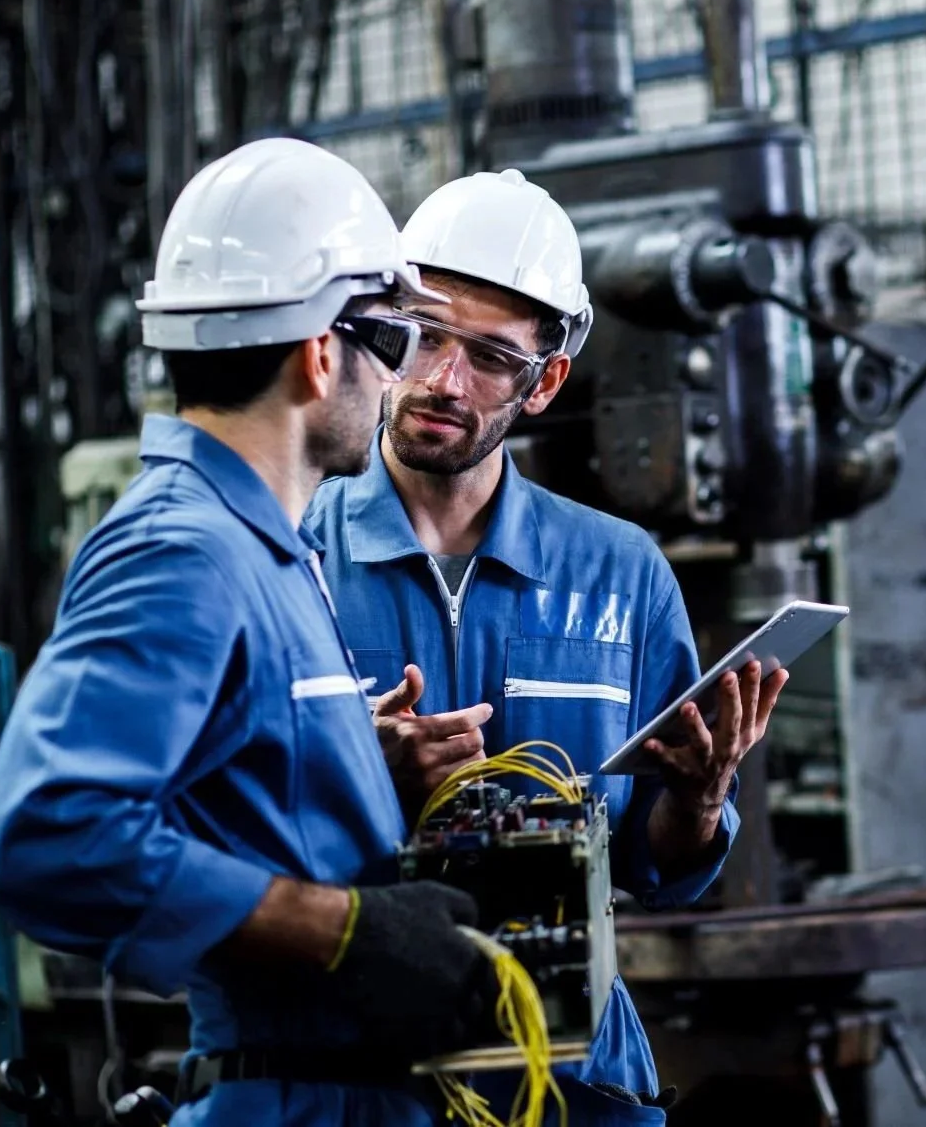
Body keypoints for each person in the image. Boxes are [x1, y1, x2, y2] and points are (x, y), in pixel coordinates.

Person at [0, 138, 505, 1126]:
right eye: (390, 342)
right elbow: (44, 834)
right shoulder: (186, 552)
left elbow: (215, 788)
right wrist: (346, 926)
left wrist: (342, 770)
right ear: (318, 352)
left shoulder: (267, 547)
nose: (398, 380)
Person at [303, 167, 791, 1124]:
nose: (443, 380)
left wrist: (699, 798)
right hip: (360, 1073)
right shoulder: (294, 553)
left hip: (576, 1080)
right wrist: (362, 773)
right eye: (427, 335)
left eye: (489, 357)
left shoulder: (621, 575)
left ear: (544, 382)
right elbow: (222, 830)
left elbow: (662, 868)